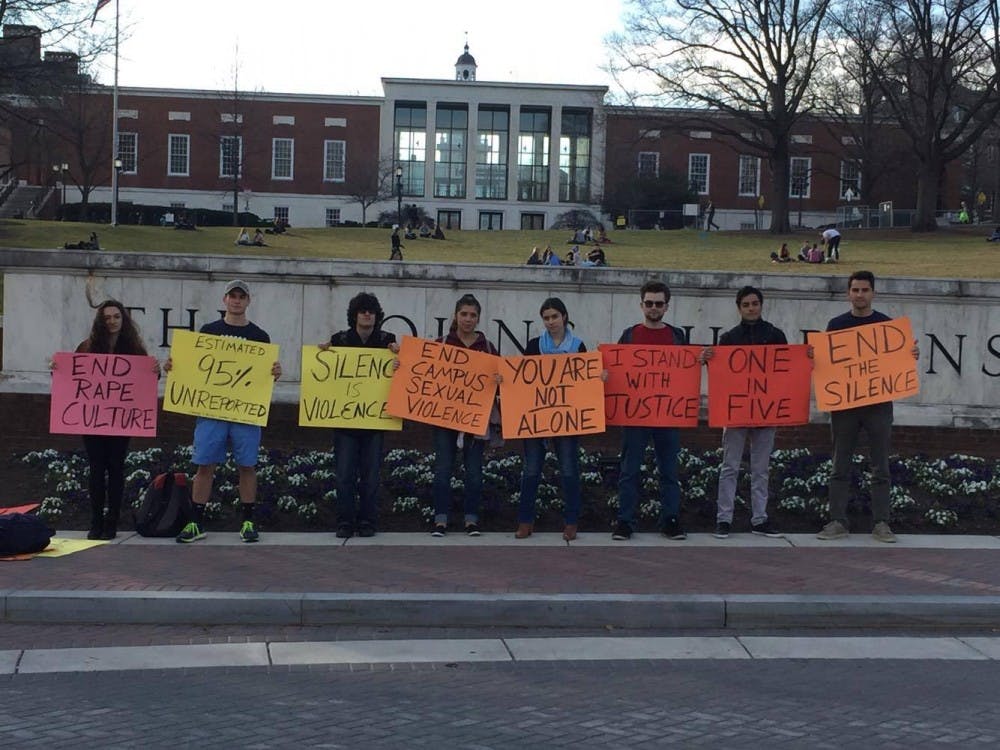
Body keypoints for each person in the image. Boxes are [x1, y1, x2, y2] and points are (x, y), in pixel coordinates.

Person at [166, 280, 282, 544]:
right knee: (204, 464)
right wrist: (174, 366)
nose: (237, 300)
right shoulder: (209, 331)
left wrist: (275, 372)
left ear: (248, 301)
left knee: (247, 465)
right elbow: (191, 366)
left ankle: (248, 521)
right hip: (211, 410)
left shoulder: (260, 336)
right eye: (233, 296)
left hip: (245, 411)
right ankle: (196, 521)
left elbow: (265, 375)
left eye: (242, 296)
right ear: (224, 300)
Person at [816, 271, 919, 544]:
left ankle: (881, 523)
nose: (859, 294)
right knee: (840, 464)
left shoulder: (887, 326)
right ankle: (837, 521)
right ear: (848, 293)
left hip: (878, 405)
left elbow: (896, 362)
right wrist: (815, 357)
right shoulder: (836, 325)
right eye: (855, 290)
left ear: (873, 293)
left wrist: (910, 356)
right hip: (845, 405)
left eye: (864, 290)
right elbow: (828, 366)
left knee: (880, 465)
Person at [53, 301, 158, 540]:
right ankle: (96, 521)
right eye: (107, 317)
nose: (112, 321)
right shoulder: (87, 347)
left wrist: (155, 371)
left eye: (116, 317)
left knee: (116, 469)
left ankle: (112, 521)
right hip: (92, 420)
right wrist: (56, 368)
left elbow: (145, 382)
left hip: (120, 421)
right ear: (100, 321)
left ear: (124, 320)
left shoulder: (134, 350)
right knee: (97, 470)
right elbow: (71, 377)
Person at [700, 286, 786, 539]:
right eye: (746, 304)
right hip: (736, 411)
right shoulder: (729, 338)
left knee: (761, 468)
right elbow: (721, 374)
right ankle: (723, 519)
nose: (751, 308)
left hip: (765, 411)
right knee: (730, 466)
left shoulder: (775, 335)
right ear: (739, 308)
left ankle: (759, 519)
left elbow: (787, 369)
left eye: (755, 303)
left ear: (761, 305)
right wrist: (708, 358)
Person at [507, 298, 594, 541]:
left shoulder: (578, 346)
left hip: (566, 418)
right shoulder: (535, 345)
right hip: (536, 418)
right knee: (531, 470)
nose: (551, 322)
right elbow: (522, 379)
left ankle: (571, 522)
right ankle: (525, 522)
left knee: (568, 470)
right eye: (546, 318)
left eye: (555, 316)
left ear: (564, 317)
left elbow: (584, 382)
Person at [612, 280, 689, 541]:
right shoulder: (629, 335)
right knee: (629, 470)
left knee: (669, 471)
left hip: (668, 415)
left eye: (659, 303)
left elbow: (685, 374)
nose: (653, 308)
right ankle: (625, 521)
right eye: (649, 303)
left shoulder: (677, 336)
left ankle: (670, 520)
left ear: (667, 306)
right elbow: (618, 370)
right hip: (635, 415)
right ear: (641, 304)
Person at [321, 293, 399, 538]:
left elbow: (403, 375)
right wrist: (322, 353)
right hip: (345, 421)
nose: (367, 315)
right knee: (344, 474)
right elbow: (325, 374)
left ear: (377, 316)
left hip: (374, 421)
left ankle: (367, 521)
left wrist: (400, 359)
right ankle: (344, 521)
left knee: (371, 475)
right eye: (363, 310)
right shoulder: (339, 340)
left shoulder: (388, 341)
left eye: (372, 311)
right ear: (354, 315)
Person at [431, 294, 499, 537]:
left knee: (474, 471)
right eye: (464, 314)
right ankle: (440, 519)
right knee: (443, 469)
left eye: (473, 315)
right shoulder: (440, 345)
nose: (468, 319)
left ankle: (471, 519)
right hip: (444, 419)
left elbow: (497, 384)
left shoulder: (489, 348)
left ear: (478, 318)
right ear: (456, 315)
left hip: (475, 420)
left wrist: (499, 380)